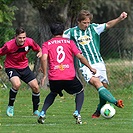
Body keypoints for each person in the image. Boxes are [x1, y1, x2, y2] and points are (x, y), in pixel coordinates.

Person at [63, 10, 127, 118]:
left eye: (88, 22)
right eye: (84, 23)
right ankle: (116, 102)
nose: (87, 25)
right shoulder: (71, 32)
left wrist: (120, 18)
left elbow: (108, 25)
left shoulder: (93, 28)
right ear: (78, 21)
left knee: (104, 87)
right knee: (97, 83)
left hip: (99, 63)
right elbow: (59, 39)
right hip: (85, 65)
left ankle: (98, 111)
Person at [37, 23, 96, 124]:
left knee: (53, 93)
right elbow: (80, 57)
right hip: (69, 76)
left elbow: (44, 58)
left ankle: (42, 112)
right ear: (63, 32)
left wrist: (45, 73)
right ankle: (77, 112)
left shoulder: (47, 44)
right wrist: (90, 67)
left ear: (51, 32)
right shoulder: (69, 42)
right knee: (80, 91)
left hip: (54, 77)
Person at [0, 27, 42, 117]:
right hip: (11, 67)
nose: (22, 40)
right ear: (15, 37)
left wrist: (40, 53)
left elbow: (39, 49)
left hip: (24, 67)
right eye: (20, 38)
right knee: (17, 84)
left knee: (36, 87)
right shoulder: (9, 46)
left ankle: (35, 111)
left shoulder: (30, 42)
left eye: (24, 37)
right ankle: (10, 106)